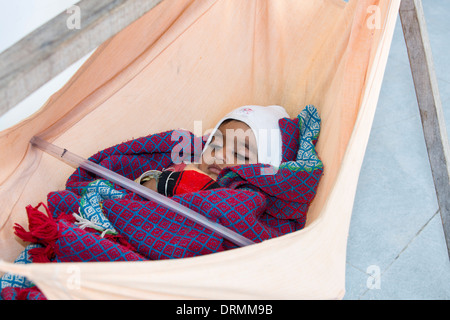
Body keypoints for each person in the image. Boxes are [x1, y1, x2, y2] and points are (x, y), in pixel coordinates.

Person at [135, 105, 290, 196]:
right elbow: (134, 194)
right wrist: (160, 182)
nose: (220, 155)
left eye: (239, 154)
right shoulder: (182, 170)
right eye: (214, 146)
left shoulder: (248, 203)